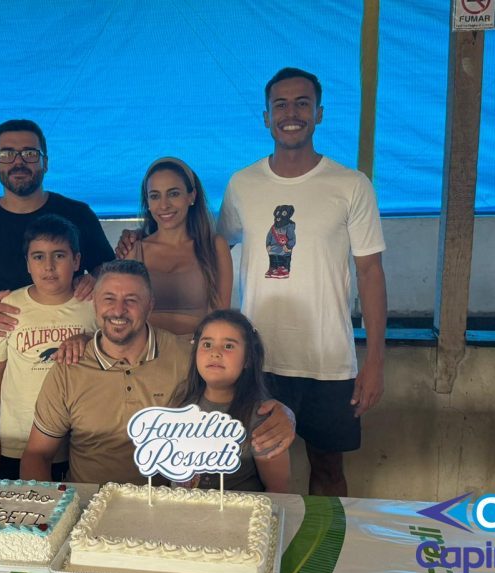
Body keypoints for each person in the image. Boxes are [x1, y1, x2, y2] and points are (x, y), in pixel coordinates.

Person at [217, 67, 387, 497]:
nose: (290, 113)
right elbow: (215, 248)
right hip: (257, 360)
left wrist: (374, 361)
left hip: (327, 360)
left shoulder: (351, 185)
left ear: (319, 113)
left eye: (302, 103)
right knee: (251, 469)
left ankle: (323, 542)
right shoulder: (242, 184)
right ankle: (262, 541)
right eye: (280, 105)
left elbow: (370, 272)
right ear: (266, 117)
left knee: (328, 470)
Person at [0, 119, 114, 478]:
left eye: (30, 153)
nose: (19, 161)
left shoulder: (77, 214)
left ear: (45, 161)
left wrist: (94, 279)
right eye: (7, 153)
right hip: (3, 358)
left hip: (75, 363)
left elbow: (111, 272)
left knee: (80, 466)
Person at [20, 260, 295, 484]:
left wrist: (284, 414)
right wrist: (53, 514)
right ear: (95, 303)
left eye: (131, 300)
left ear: (150, 304)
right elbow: (37, 454)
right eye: (109, 299)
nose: (118, 310)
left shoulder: (187, 357)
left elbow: (238, 389)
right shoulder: (69, 366)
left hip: (168, 510)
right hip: (88, 508)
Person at [0, 215, 95, 480]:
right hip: (17, 438)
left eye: (59, 256)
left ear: (76, 261)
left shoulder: (93, 306)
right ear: (27, 264)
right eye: (39, 257)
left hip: (77, 440)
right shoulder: (9, 307)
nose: (49, 266)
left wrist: (88, 338)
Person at [172, 309, 290, 493]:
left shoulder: (262, 418)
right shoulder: (181, 399)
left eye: (228, 346)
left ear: (248, 359)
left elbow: (278, 488)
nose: (215, 353)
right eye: (207, 344)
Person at [127, 157, 233, 335]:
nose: (164, 205)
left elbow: (221, 318)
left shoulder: (215, 247)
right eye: (155, 196)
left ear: (192, 196)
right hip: (145, 351)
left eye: (173, 194)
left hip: (196, 350)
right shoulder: (133, 250)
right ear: (148, 203)